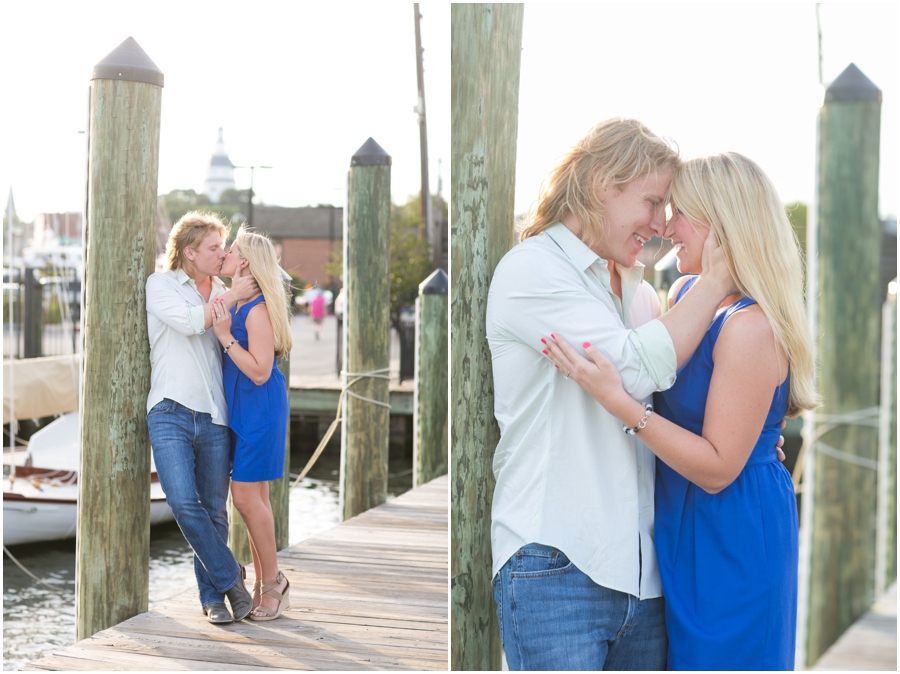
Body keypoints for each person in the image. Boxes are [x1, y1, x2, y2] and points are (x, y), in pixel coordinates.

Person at [485, 118, 742, 670]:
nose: (660, 224)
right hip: (555, 561)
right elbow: (630, 373)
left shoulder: (639, 293)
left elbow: (676, 395)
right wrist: (718, 282)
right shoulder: (533, 270)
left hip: (645, 579)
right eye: (652, 202)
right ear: (604, 181)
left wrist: (751, 437)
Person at [542, 152, 816, 669]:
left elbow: (716, 469)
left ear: (723, 225)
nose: (668, 226)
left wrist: (618, 403)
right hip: (679, 524)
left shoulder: (750, 326)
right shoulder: (688, 292)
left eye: (682, 212)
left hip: (731, 528)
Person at [146, 211, 258, 624]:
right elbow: (191, 322)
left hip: (215, 415)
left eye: (224, 246)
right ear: (190, 252)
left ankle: (213, 600)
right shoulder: (161, 285)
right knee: (181, 502)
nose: (223, 253)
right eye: (214, 247)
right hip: (169, 409)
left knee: (214, 512)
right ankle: (232, 577)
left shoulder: (230, 289)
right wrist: (230, 298)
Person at [211, 226, 292, 621]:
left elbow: (260, 372)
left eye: (231, 249)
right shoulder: (240, 303)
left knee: (244, 498)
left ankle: (273, 582)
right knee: (255, 497)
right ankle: (265, 584)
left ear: (244, 262)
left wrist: (225, 337)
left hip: (259, 407)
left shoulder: (256, 308)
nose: (223, 253)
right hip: (244, 407)